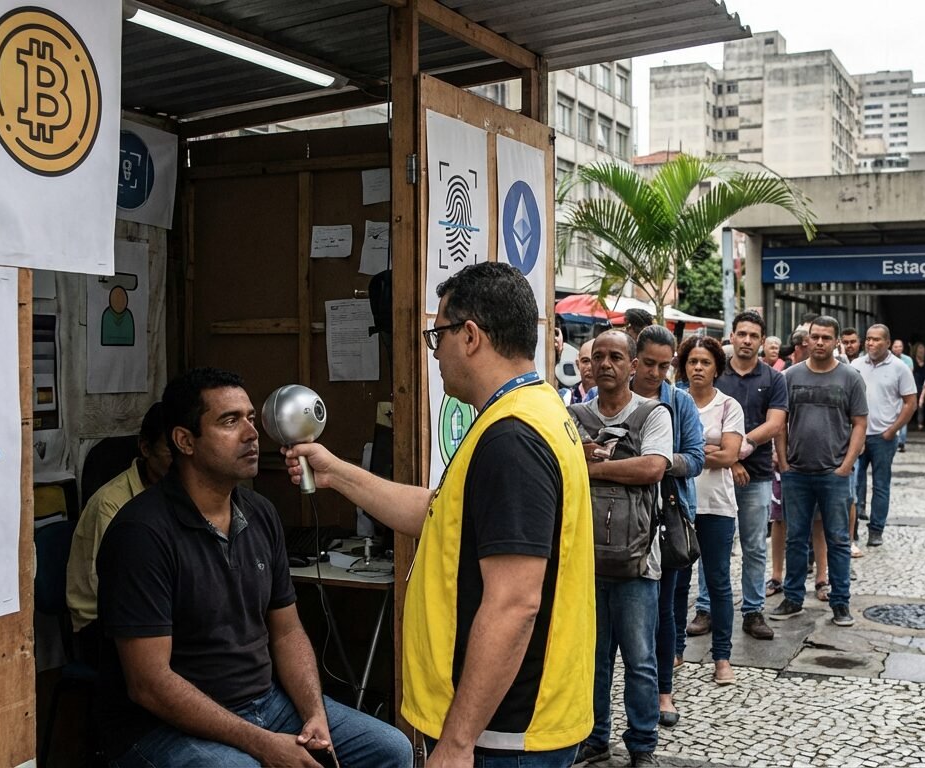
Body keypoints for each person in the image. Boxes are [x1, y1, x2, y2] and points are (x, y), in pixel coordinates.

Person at [287, 263, 595, 765]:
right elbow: (440, 513)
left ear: (470, 336)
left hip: (502, 733)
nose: (435, 354)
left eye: (438, 336)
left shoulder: (512, 437)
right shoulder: (528, 411)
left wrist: (457, 741)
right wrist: (337, 473)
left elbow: (515, 604)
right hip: (509, 726)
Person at [96, 368, 413, 767]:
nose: (251, 433)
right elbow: (150, 685)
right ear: (184, 440)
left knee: (391, 750)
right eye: (230, 421)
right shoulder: (141, 533)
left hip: (267, 702)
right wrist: (262, 743)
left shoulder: (260, 513)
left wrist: (315, 714)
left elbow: (287, 630)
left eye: (250, 418)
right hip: (164, 727)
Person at [569, 330, 673, 767]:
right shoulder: (571, 413)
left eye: (616, 356)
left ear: (632, 365)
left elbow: (652, 468)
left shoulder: (654, 414)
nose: (605, 364)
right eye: (598, 357)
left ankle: (642, 744)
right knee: (592, 662)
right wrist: (585, 463)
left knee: (640, 660)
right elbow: (558, 465)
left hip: (637, 562)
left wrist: (592, 466)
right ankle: (594, 738)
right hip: (585, 560)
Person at [688, 311, 784, 643]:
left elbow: (775, 423)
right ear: (731, 336)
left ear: (762, 340)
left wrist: (738, 450)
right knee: (711, 544)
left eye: (753, 335)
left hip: (755, 476)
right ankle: (706, 608)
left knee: (755, 546)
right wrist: (729, 463)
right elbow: (700, 432)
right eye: (741, 334)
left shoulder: (773, 379)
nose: (746, 340)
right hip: (716, 477)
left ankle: (753, 611)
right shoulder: (717, 375)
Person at [770, 316, 867, 628]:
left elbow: (860, 424)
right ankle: (793, 598)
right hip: (796, 472)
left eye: (827, 337)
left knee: (838, 539)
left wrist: (846, 466)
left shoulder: (850, 378)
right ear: (806, 340)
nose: (821, 342)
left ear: (836, 341)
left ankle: (840, 602)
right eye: (816, 337)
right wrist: (783, 462)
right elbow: (780, 422)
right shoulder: (789, 376)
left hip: (834, 474)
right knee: (796, 538)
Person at [629, 326, 705, 728]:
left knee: (664, 610)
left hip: (668, 516)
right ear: (634, 360)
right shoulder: (606, 396)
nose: (656, 373)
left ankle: (663, 692)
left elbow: (696, 458)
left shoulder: (680, 402)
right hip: (618, 521)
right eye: (650, 364)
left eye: (665, 365)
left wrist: (656, 461)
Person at [65, 402, 171, 655]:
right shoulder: (111, 503)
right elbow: (112, 592)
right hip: (102, 624)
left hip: (157, 609)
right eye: (170, 450)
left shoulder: (179, 492)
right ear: (146, 448)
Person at [679, 336, 744, 685]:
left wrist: (688, 454)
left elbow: (731, 454)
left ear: (717, 367)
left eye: (705, 362)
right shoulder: (674, 401)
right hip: (679, 503)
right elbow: (665, 450)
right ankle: (675, 650)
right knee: (677, 581)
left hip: (717, 506)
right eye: (692, 362)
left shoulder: (729, 405)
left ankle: (722, 657)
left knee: (718, 582)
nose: (698, 368)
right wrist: (708, 449)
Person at [851, 325, 918, 548]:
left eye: (876, 340)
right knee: (853, 485)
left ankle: (876, 529)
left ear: (887, 343)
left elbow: (911, 402)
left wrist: (893, 430)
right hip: (857, 436)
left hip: (883, 437)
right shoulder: (856, 365)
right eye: (868, 339)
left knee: (881, 485)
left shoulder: (899, 368)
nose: (870, 343)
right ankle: (852, 531)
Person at [890, 339, 915, 452]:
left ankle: (901, 442)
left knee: (903, 414)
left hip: (903, 391)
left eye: (900, 346)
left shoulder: (907, 360)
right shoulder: (887, 358)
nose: (897, 348)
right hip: (890, 391)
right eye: (895, 346)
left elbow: (909, 374)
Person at [563, 338, 597, 405]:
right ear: (578, 364)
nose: (590, 367)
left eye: (595, 360)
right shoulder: (566, 398)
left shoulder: (614, 398)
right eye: (585, 361)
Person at [911, 341, 925, 430]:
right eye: (919, 348)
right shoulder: (912, 362)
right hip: (915, 386)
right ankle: (920, 423)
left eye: (922, 348)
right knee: (919, 405)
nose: (921, 350)